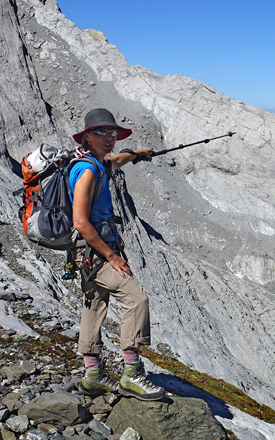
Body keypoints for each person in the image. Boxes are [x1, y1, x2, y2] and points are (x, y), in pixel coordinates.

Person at [70, 108, 164, 401]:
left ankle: (92, 375)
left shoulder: (96, 163)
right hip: (94, 251)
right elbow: (80, 222)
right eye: (101, 132)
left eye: (112, 132)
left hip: (84, 251)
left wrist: (136, 154)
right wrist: (112, 257)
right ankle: (131, 374)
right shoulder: (87, 171)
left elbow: (115, 161)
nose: (109, 137)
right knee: (136, 299)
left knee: (94, 304)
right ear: (87, 136)